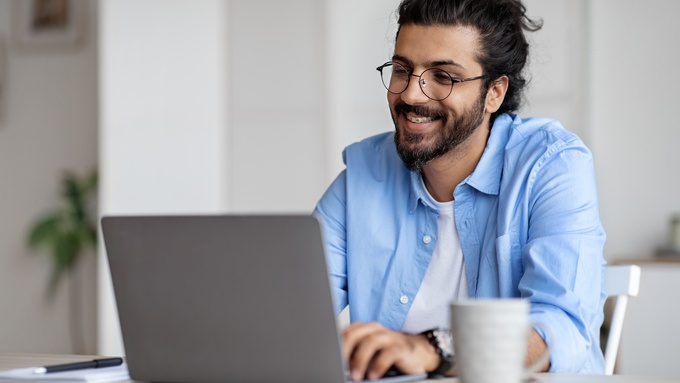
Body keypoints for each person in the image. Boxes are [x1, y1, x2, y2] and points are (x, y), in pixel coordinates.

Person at [313, 0, 606, 380]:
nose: (412, 96)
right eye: (402, 70)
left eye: (443, 76)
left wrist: (433, 348)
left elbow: (561, 328)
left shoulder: (552, 165)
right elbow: (292, 310)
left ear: (494, 93)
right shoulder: (363, 176)